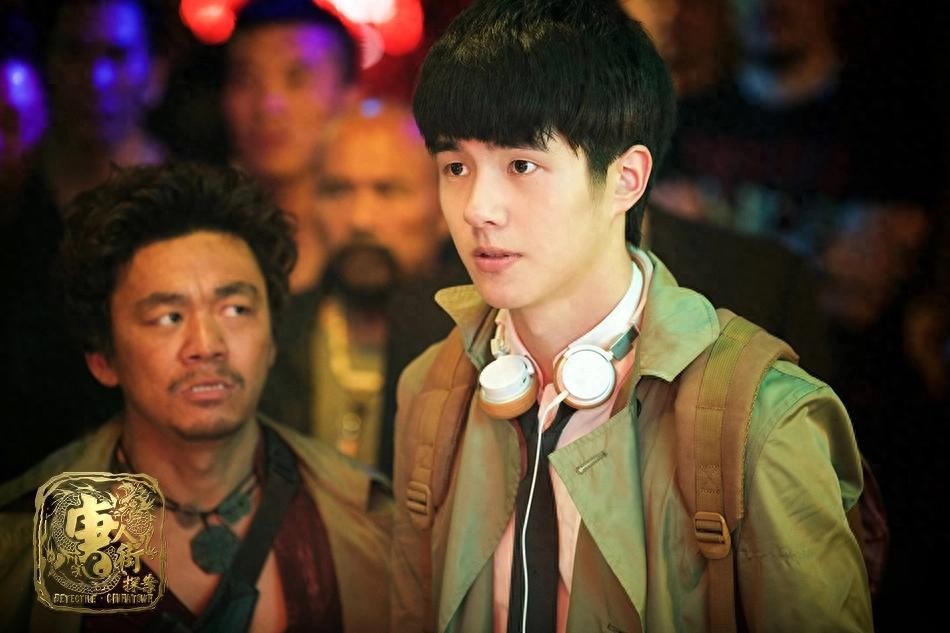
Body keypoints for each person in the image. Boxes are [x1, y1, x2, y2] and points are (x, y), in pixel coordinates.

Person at [390, 1, 872, 631]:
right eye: (456, 167)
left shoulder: (760, 416)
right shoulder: (431, 390)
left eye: (521, 165)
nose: (478, 207)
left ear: (626, 178)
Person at [0, 162, 390, 632]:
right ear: (103, 358)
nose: (207, 345)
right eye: (168, 317)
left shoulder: (370, 520)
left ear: (272, 339)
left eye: (236, 309)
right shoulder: (19, 541)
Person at [0, 0, 170, 481]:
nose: (95, 79)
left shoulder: (190, 207)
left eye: (117, 55)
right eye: (76, 52)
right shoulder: (13, 197)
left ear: (155, 72)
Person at [262, 98, 465, 475]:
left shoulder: (483, 347)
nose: (360, 219)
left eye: (387, 190)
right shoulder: (271, 336)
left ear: (444, 208)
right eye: (337, 190)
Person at [223, 0, 360, 294]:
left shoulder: (376, 244)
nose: (269, 105)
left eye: (297, 79)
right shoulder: (201, 242)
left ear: (348, 99)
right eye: (246, 80)